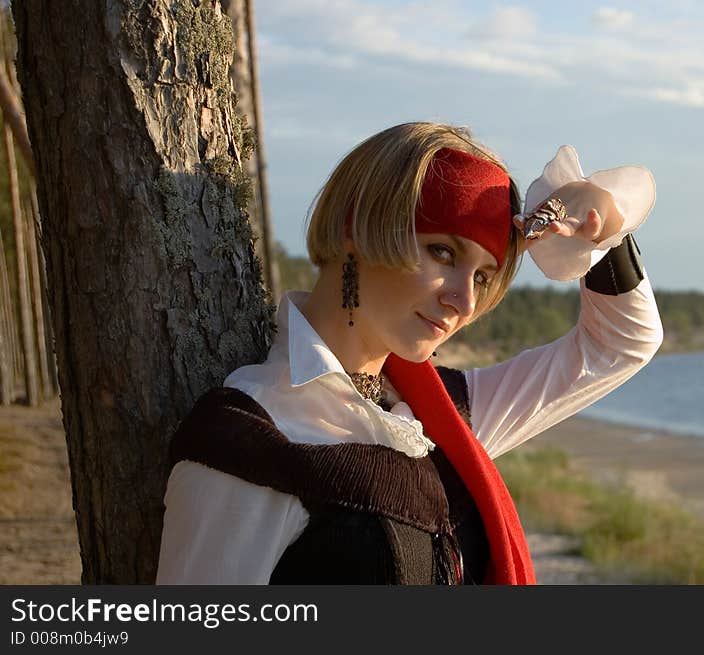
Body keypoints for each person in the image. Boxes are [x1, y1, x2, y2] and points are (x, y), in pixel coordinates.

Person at [156, 122, 663, 584]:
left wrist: (598, 219)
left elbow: (622, 343)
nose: (464, 301)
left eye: (483, 277)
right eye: (443, 252)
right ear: (359, 226)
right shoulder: (250, 438)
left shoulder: (445, 419)